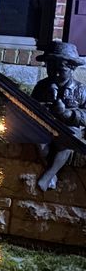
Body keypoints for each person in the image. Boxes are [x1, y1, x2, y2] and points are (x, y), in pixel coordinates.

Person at [31, 40, 86, 191]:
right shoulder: (42, 86)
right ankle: (52, 175)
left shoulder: (80, 90)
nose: (55, 73)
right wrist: (44, 108)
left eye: (60, 70)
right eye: (51, 68)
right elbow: (31, 106)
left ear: (71, 68)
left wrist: (67, 113)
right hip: (46, 126)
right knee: (40, 143)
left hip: (68, 129)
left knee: (66, 143)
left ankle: (48, 176)